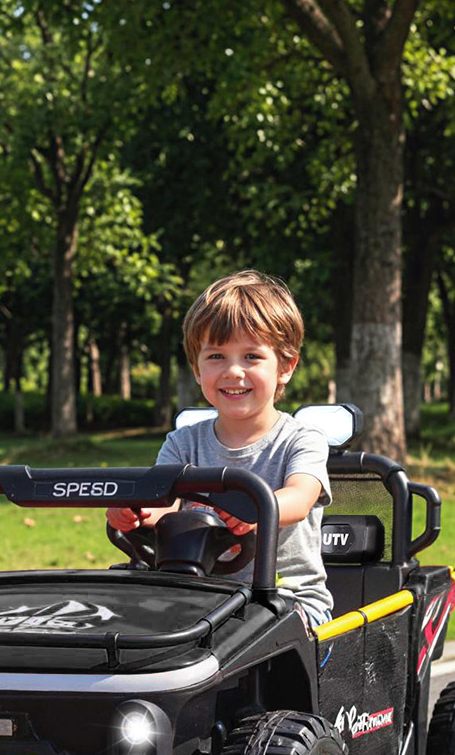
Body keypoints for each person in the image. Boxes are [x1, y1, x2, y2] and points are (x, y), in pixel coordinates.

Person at [108, 269, 334, 628]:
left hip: (287, 601)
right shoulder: (183, 443)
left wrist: (258, 509)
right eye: (215, 357)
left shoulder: (301, 440)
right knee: (122, 622)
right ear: (197, 370)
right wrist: (136, 512)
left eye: (251, 357)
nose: (233, 371)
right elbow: (162, 502)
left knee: (242, 636)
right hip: (201, 599)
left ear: (286, 367)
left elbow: (300, 496)